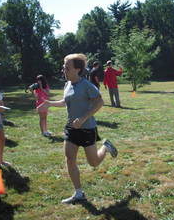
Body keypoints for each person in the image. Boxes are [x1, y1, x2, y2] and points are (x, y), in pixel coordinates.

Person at [38, 53, 118, 204]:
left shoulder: (87, 85)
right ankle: (79, 193)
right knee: (69, 159)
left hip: (87, 128)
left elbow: (99, 102)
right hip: (71, 128)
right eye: (63, 67)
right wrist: (49, 102)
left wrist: (83, 118)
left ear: (78, 69)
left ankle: (106, 147)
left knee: (93, 163)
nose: (64, 70)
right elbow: (65, 101)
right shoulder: (67, 84)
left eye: (67, 67)